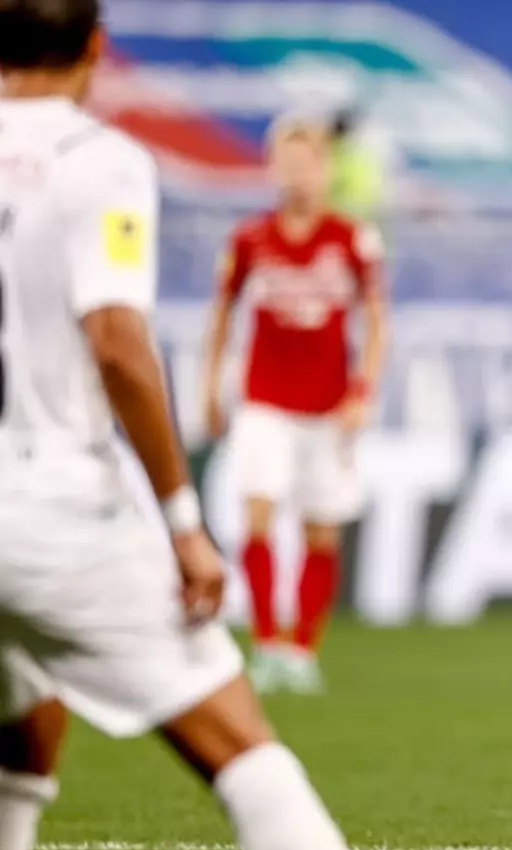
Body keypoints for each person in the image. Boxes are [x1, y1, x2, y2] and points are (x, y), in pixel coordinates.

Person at [0, 1, 371, 850]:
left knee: (24, 723)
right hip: (49, 503)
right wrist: (180, 520)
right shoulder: (99, 160)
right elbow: (118, 342)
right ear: (95, 47)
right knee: (241, 748)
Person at [203, 115, 388, 695]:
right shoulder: (249, 239)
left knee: (321, 530)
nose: (298, 174)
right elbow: (222, 313)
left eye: (308, 163)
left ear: (326, 168)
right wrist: (210, 385)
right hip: (264, 399)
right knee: (257, 512)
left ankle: (303, 649)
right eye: (288, 162)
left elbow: (377, 320)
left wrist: (362, 390)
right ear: (272, 168)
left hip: (328, 406)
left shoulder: (352, 238)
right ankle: (266, 644)